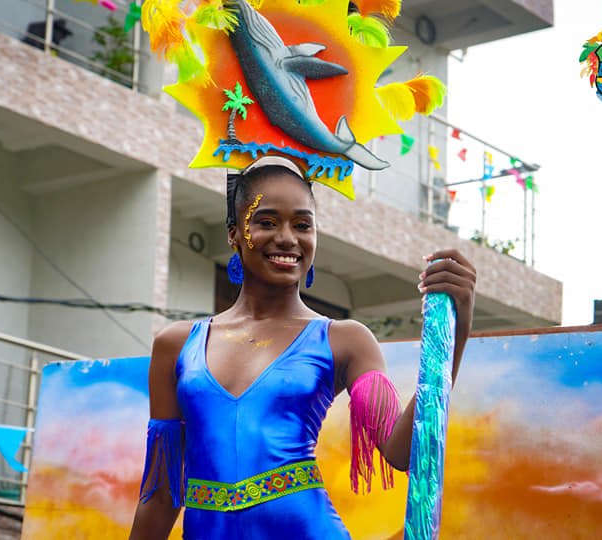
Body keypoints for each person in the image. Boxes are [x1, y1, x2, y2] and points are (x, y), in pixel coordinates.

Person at [129, 156, 476, 539]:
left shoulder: (345, 339)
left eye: (302, 225)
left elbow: (400, 451)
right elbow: (160, 495)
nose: (287, 238)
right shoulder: (177, 345)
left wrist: (454, 334)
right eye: (266, 222)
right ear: (234, 233)